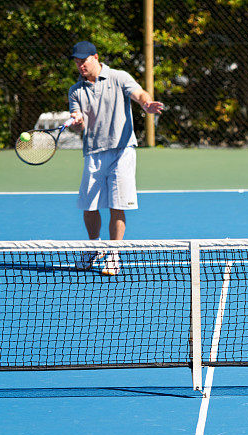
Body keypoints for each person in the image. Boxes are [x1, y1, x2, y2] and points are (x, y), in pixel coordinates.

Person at [67, 41, 163, 275]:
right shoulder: (75, 90)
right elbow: (77, 121)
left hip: (123, 151)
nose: (81, 65)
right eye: (77, 61)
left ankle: (113, 254)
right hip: (93, 153)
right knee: (88, 207)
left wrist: (147, 104)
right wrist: (77, 123)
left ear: (95, 57)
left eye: (84, 60)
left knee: (117, 206)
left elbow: (139, 93)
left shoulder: (119, 77)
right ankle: (94, 247)